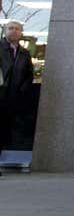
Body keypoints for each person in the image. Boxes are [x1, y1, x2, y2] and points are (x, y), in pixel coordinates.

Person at [0, 20, 34, 178]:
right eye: (10, 28)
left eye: (17, 29)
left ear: (21, 33)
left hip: (13, 98)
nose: (14, 31)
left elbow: (28, 75)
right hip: (1, 94)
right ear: (5, 31)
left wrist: (22, 90)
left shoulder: (24, 53)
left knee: (4, 132)